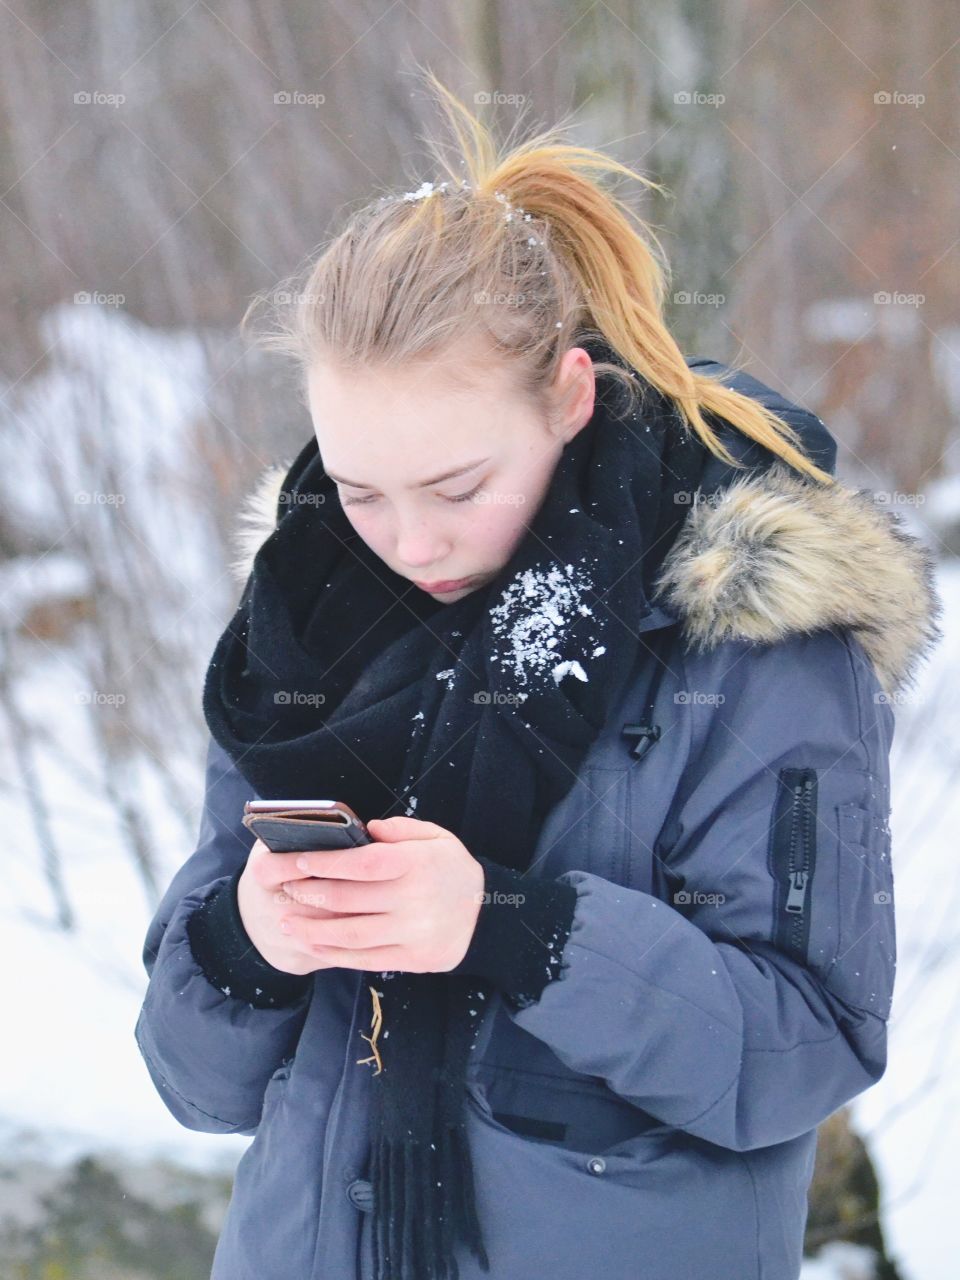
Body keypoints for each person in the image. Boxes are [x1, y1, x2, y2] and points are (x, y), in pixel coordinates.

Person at [134, 75, 943, 1280]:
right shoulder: (302, 629)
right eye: (361, 491)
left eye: (457, 487)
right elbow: (195, 1085)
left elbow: (807, 1045)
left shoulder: (751, 634)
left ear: (569, 395)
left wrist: (513, 928)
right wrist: (249, 942)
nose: (407, 542)